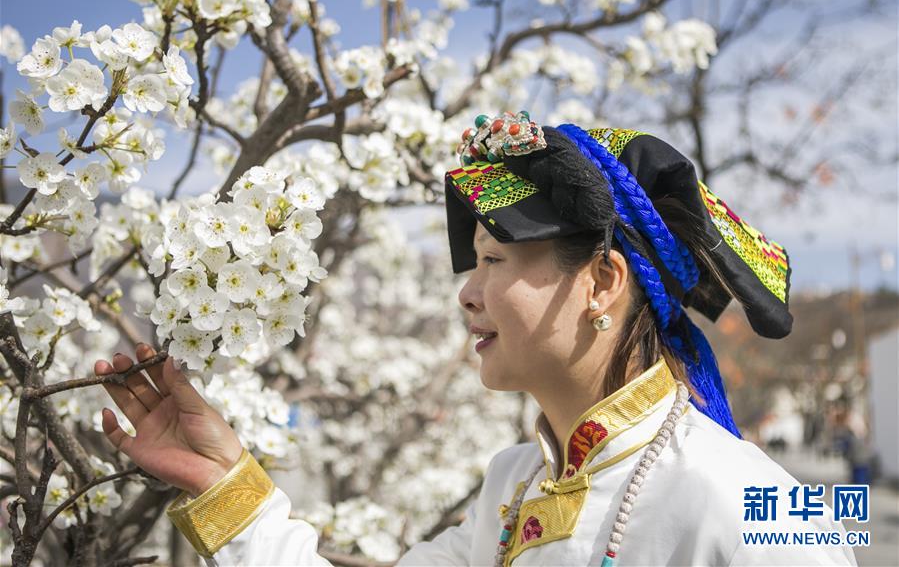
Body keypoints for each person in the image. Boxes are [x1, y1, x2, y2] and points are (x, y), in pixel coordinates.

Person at [94, 113, 857, 566]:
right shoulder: (514, 485)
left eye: (494, 261)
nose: (467, 291)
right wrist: (228, 483)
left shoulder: (749, 498)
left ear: (600, 283)